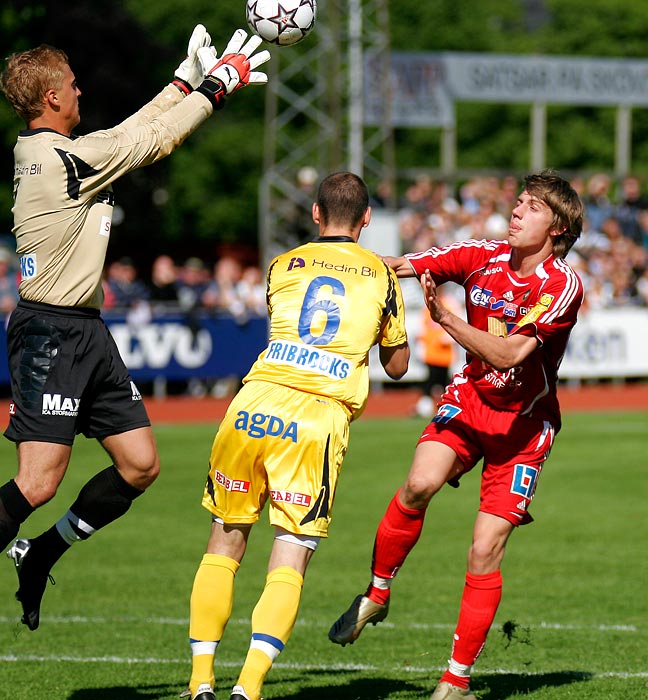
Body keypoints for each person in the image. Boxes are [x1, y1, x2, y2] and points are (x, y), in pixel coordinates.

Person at [0, 26, 270, 632]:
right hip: (51, 331)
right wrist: (218, 87)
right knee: (38, 483)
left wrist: (182, 82)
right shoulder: (55, 159)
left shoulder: (60, 151)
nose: (79, 89)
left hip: (85, 330)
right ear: (49, 97)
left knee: (140, 465)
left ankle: (42, 554)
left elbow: (126, 134)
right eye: (70, 84)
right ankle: (30, 543)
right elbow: (154, 142)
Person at [328, 171, 584, 700]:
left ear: (556, 227)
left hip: (523, 428)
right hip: (468, 403)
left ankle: (455, 682)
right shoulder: (481, 255)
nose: (516, 211)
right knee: (419, 483)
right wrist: (333, 255)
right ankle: (376, 594)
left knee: (484, 550)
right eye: (517, 202)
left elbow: (511, 353)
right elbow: (402, 265)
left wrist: (446, 318)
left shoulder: (562, 287)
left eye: (531, 207)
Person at [184, 172, 410, 700]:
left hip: (252, 402)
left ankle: (199, 682)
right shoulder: (381, 273)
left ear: (314, 213)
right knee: (291, 549)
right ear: (367, 219)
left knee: (223, 541)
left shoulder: (283, 265)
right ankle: (248, 687)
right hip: (316, 415)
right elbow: (397, 367)